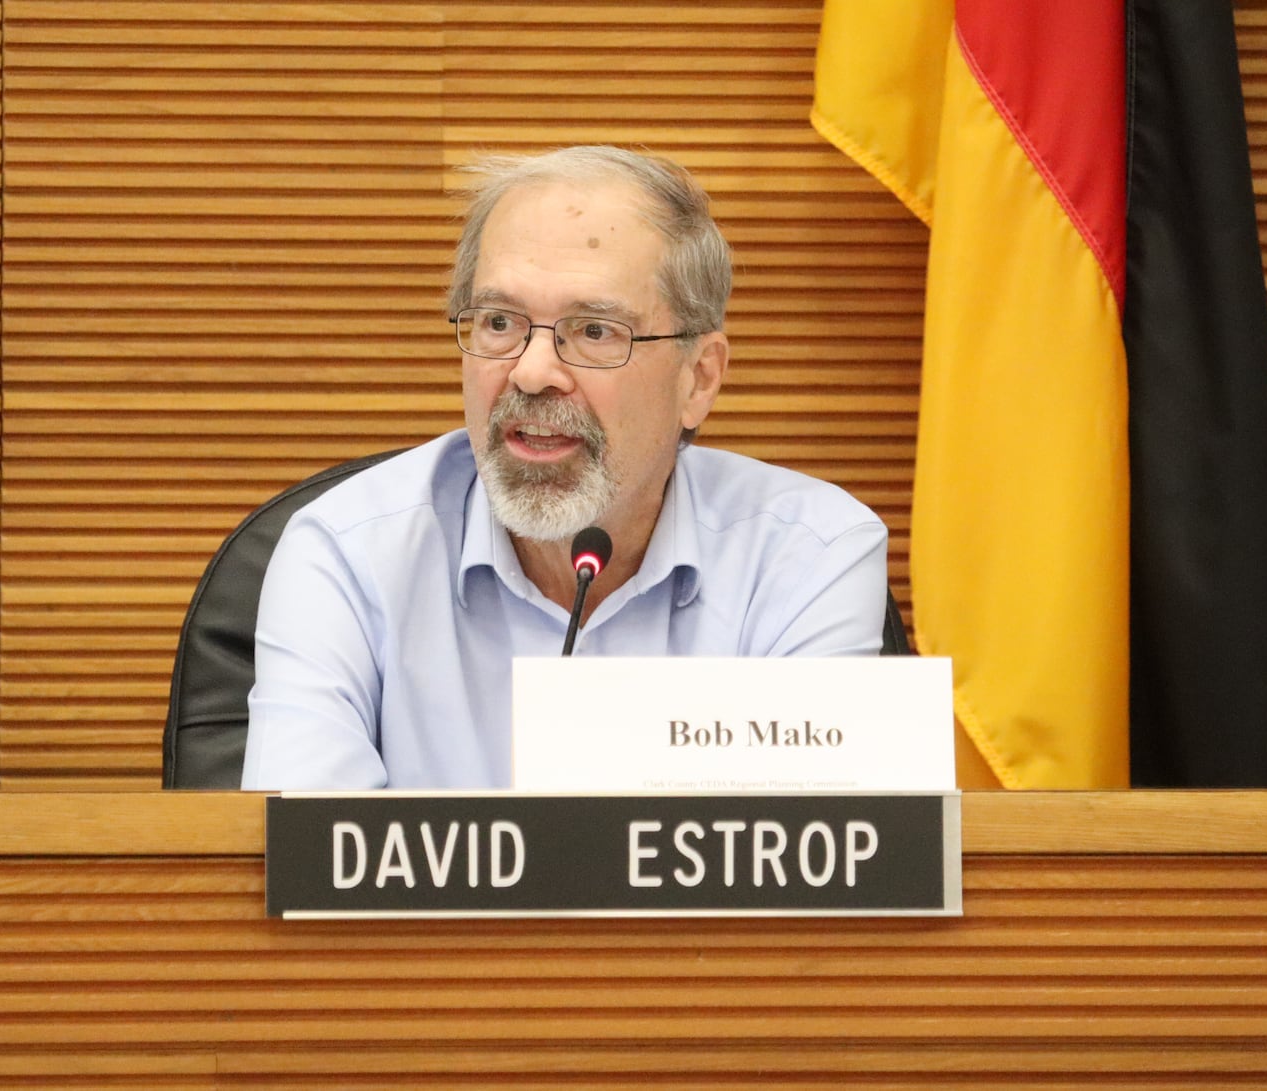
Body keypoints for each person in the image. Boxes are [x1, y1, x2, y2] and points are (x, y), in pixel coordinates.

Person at [240, 145, 888, 790]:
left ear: (699, 378)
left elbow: (804, 876)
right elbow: (309, 872)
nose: (531, 371)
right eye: (499, 322)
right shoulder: (346, 558)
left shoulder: (808, 559)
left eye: (595, 331)